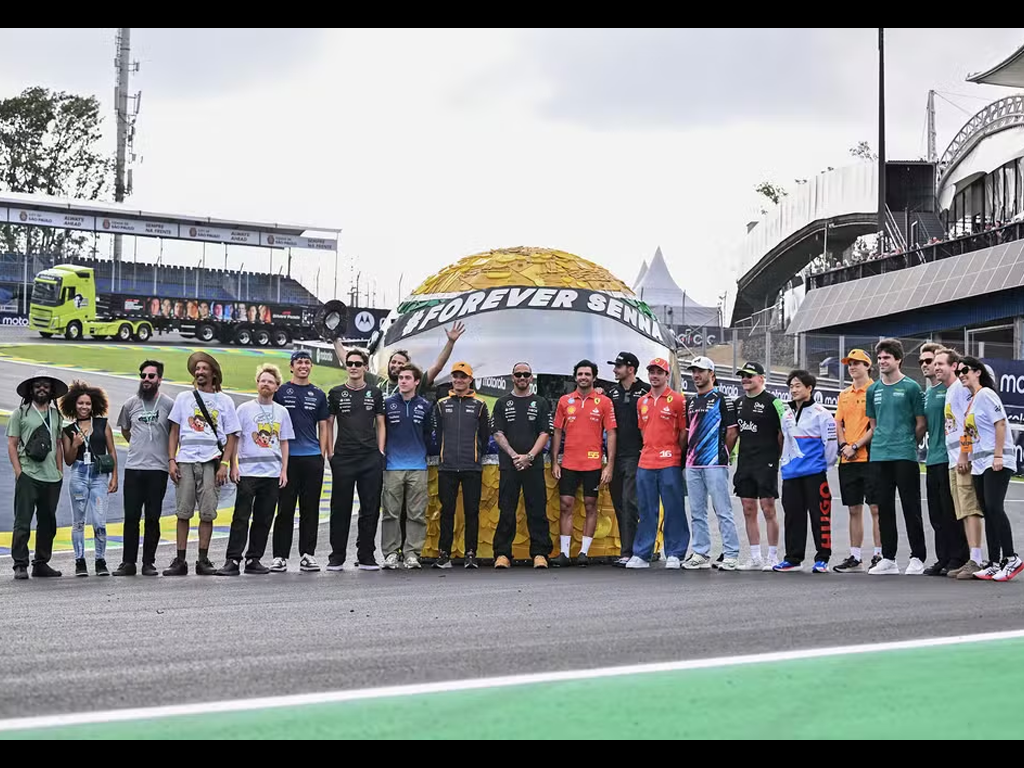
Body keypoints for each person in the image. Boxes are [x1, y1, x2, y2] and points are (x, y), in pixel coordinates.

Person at [165, 352, 240, 576]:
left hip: (211, 460)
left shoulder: (224, 401)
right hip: (186, 458)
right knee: (183, 511)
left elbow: (232, 436)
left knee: (207, 512)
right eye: (197, 369)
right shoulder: (184, 398)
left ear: (213, 373)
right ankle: (180, 559)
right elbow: (174, 431)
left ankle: (203, 559)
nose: (199, 372)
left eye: (204, 368)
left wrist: (225, 463)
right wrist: (172, 459)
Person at [217, 364, 294, 576]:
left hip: (271, 473)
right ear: (257, 383)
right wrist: (234, 465)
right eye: (262, 380)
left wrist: (284, 470)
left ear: (277, 386)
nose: (265, 384)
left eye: (270, 381)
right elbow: (235, 438)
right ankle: (232, 559)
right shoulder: (244, 409)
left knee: (264, 517)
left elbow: (284, 442)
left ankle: (254, 558)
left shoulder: (282, 412)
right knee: (241, 516)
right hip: (247, 472)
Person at [957, 357, 1023, 582]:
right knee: (987, 510)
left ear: (977, 372)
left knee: (995, 507)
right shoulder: (971, 401)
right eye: (959, 372)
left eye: (964, 370)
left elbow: (1000, 423)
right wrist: (964, 456)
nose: (961, 375)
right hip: (979, 464)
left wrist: (997, 455)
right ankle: (995, 562)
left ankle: (1011, 557)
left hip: (997, 461)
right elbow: (967, 433)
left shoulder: (986, 394)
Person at [866, 339, 927, 575]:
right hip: (880, 455)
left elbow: (921, 423)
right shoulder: (873, 390)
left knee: (911, 507)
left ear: (898, 360)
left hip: (905, 455)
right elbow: (874, 424)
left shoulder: (911, 387)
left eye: (886, 358)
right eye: (879, 358)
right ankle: (889, 558)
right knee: (884, 507)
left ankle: (917, 557)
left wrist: (906, 441)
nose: (882, 362)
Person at [550, 360, 617, 567]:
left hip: (593, 464)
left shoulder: (604, 402)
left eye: (587, 374)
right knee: (566, 505)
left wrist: (609, 465)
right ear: (575, 377)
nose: (583, 377)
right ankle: (564, 553)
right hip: (569, 462)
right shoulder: (564, 401)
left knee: (590, 505)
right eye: (580, 374)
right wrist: (554, 461)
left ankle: (583, 553)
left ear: (594, 377)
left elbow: (611, 433)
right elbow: (558, 432)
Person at [271, 350, 330, 573]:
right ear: (291, 366)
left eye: (307, 362)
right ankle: (279, 556)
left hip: (311, 458)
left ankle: (307, 554)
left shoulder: (318, 394)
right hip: (288, 460)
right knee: (285, 508)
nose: (303, 366)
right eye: (299, 362)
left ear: (311, 366)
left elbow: (324, 426)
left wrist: (321, 455)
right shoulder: (281, 391)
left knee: (310, 508)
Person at [327, 348, 386, 571]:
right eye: (350, 363)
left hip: (370, 457)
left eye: (357, 364)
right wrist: (330, 453)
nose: (353, 367)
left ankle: (366, 555)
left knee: (370, 508)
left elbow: (381, 423)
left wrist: (380, 451)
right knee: (339, 508)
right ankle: (337, 556)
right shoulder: (335, 392)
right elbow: (328, 423)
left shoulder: (375, 392)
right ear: (346, 366)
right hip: (343, 457)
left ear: (365, 367)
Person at [773, 370, 837, 573]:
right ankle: (793, 558)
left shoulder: (822, 413)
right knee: (793, 517)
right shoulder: (787, 413)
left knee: (820, 516)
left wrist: (821, 466)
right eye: (791, 386)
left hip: (814, 474)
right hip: (791, 474)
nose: (793, 389)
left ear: (809, 388)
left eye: (798, 385)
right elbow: (784, 441)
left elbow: (831, 447)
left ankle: (822, 559)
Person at [626, 358, 688, 569]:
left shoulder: (678, 400)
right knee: (645, 508)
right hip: (646, 461)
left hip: (669, 459)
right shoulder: (641, 401)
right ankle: (642, 554)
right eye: (651, 372)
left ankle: (675, 553)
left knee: (673, 507)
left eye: (659, 372)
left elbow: (683, 432)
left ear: (666, 375)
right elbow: (643, 430)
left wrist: (673, 451)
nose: (654, 376)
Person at [115, 360, 174, 577]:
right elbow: (125, 430)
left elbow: (175, 433)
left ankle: (148, 562)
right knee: (131, 517)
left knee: (152, 517)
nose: (146, 380)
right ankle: (127, 562)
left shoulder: (169, 404)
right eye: (143, 376)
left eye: (151, 376)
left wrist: (169, 459)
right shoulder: (131, 404)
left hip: (158, 469)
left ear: (160, 379)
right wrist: (139, 447)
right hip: (134, 467)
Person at [491, 362, 553, 570]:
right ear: (512, 377)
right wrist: (514, 456)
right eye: (518, 374)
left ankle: (540, 553)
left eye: (526, 374)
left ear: (531, 377)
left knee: (537, 510)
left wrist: (529, 456)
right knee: (506, 510)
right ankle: (502, 554)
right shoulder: (501, 403)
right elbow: (498, 433)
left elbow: (545, 433)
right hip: (509, 466)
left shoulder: (541, 402)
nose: (522, 378)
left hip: (533, 466)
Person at [683, 357, 741, 571]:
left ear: (712, 375)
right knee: (697, 511)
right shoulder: (690, 401)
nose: (696, 375)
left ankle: (732, 554)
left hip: (715, 463)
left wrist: (723, 453)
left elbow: (733, 431)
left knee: (723, 510)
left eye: (701, 371)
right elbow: (688, 432)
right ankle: (700, 552)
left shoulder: (723, 399)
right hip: (693, 464)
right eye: (694, 371)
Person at [8, 371, 67, 580]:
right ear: (31, 389)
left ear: (51, 391)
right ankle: (20, 564)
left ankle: (41, 563)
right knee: (22, 521)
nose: (42, 389)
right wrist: (19, 472)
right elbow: (12, 444)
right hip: (29, 475)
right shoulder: (20, 413)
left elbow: (59, 443)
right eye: (38, 386)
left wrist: (60, 471)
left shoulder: (56, 415)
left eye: (46, 386)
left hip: (52, 478)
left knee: (48, 523)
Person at [432, 362, 490, 569]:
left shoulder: (480, 404)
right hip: (447, 467)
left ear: (470, 380)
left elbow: (485, 435)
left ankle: (470, 553)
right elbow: (437, 434)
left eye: (463, 377)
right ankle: (444, 554)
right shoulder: (441, 404)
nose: (459, 380)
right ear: (452, 379)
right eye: (456, 376)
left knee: (471, 511)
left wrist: (476, 456)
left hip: (471, 467)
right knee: (447, 511)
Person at [936, 349, 988, 580]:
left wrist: (964, 455)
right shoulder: (950, 391)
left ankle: (977, 559)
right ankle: (972, 559)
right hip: (953, 458)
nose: (935, 367)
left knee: (971, 508)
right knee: (963, 511)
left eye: (940, 363)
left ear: (955, 366)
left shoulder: (961, 389)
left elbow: (969, 422)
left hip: (963, 458)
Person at [920, 343, 968, 576]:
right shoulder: (928, 393)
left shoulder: (954, 389)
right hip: (932, 458)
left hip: (950, 458)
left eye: (933, 362)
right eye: (925, 362)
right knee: (936, 515)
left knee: (951, 512)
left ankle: (959, 556)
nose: (927, 366)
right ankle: (943, 557)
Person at [60, 380, 117, 577]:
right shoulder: (68, 430)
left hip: (100, 475)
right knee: (79, 522)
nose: (84, 407)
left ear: (94, 406)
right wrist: (75, 445)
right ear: (73, 405)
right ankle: (80, 560)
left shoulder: (102, 424)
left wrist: (114, 476)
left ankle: (100, 560)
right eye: (80, 403)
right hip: (78, 475)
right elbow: (67, 460)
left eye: (88, 404)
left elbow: (112, 451)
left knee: (99, 521)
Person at [832, 349, 882, 573]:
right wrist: (844, 446)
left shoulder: (876, 390)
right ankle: (855, 555)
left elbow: (875, 426)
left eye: (857, 363)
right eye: (850, 363)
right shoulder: (844, 394)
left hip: (869, 457)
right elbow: (838, 423)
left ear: (867, 366)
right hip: (848, 459)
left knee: (875, 508)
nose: (852, 367)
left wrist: (855, 446)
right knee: (853, 508)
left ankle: (880, 555)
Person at [733, 361, 785, 571]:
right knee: (747, 508)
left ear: (761, 378)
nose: (745, 379)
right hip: (746, 462)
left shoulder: (774, 402)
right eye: (743, 376)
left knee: (768, 508)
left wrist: (776, 458)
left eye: (750, 376)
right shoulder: (738, 403)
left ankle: (772, 555)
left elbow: (783, 433)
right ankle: (755, 557)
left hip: (767, 461)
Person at [381, 363, 433, 570]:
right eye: (401, 378)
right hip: (393, 466)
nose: (403, 381)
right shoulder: (387, 404)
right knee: (390, 513)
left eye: (407, 378)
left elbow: (429, 435)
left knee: (416, 513)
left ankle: (412, 553)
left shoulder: (425, 405)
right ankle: (391, 553)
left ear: (416, 381)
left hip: (418, 466)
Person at [334, 322, 466, 398]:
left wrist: (450, 342)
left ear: (406, 367)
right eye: (393, 362)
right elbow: (349, 362)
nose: (396, 365)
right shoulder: (377, 382)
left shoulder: (414, 385)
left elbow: (437, 367)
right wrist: (335, 339)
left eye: (400, 363)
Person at [606, 352, 649, 567]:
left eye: (618, 366)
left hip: (637, 455)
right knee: (619, 503)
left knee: (630, 501)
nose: (615, 370)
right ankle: (629, 549)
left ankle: (631, 551)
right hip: (614, 455)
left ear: (630, 369)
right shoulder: (610, 392)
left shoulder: (646, 391)